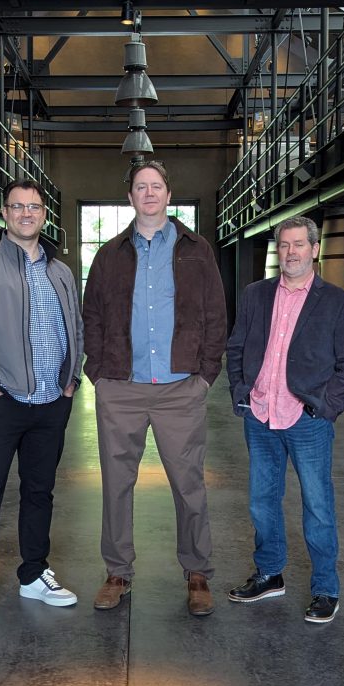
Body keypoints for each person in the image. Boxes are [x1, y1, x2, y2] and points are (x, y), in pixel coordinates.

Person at [82, 160, 227, 616]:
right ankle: (117, 572)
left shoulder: (197, 250)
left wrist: (205, 375)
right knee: (116, 484)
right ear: (130, 197)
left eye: (156, 186)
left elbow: (215, 314)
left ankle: (198, 572)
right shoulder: (109, 254)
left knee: (189, 485)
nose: (149, 193)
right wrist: (99, 373)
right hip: (121, 387)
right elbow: (92, 316)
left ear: (168, 194)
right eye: (141, 186)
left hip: (180, 388)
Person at [0, 179, 83, 630]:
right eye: (17, 206)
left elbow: (75, 327)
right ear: (5, 213)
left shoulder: (60, 272)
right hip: (1, 402)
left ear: (44, 215)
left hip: (51, 402)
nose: (27, 213)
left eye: (34, 207)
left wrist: (71, 380)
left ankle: (33, 573)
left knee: (39, 492)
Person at [226, 215, 344, 624]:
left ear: (314, 249)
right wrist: (242, 392)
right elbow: (236, 348)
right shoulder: (255, 294)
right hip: (260, 415)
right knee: (262, 501)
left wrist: (324, 405)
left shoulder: (337, 302)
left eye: (299, 244)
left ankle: (325, 588)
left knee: (318, 505)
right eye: (284, 245)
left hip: (307, 420)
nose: (291, 252)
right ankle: (270, 574)